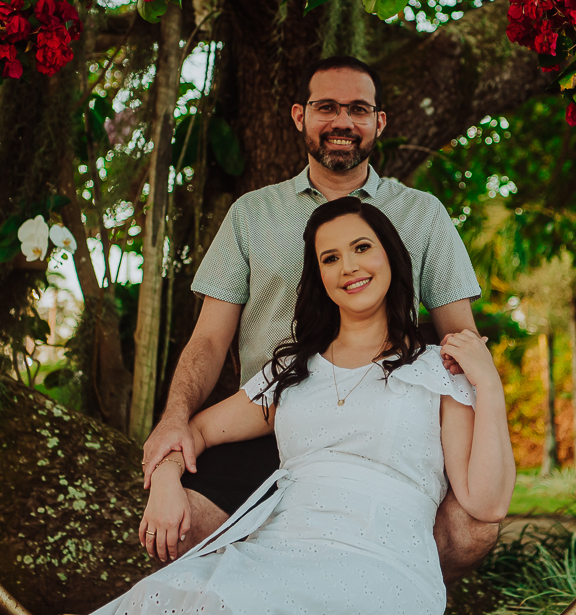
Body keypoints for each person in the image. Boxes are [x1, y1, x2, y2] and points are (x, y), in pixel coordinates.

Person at [138, 55, 499, 576]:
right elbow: (209, 341)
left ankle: (389, 587)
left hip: (383, 433)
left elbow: (461, 338)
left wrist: (480, 405)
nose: (342, 123)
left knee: (471, 528)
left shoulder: (422, 214)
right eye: (326, 107)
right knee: (175, 526)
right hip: (271, 417)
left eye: (358, 109)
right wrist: (174, 423)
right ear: (299, 116)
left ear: (379, 122)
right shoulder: (252, 214)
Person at [93, 198, 515, 615]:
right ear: (320, 278)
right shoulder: (292, 372)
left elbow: (487, 503)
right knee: (174, 598)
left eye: (362, 247)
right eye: (330, 258)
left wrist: (488, 384)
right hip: (276, 554)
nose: (348, 266)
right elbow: (195, 431)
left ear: (391, 255)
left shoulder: (437, 370)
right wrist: (166, 479)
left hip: (385, 566)